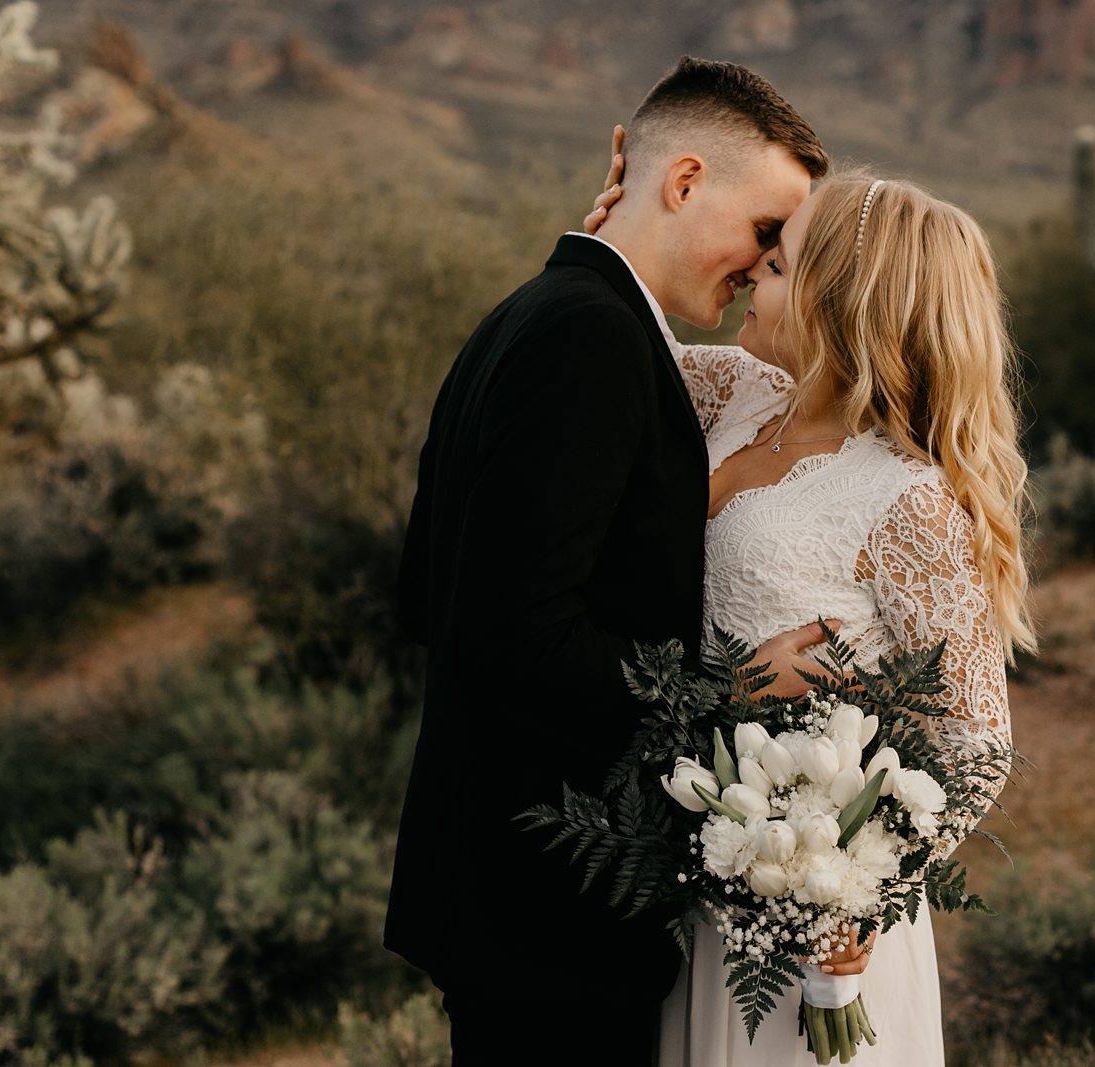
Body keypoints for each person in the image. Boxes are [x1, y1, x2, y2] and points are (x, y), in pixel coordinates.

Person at [385, 57, 833, 1065]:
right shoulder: (590, 338)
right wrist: (731, 692)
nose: (764, 267)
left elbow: (425, 595)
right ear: (682, 183)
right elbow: (517, 633)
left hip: (506, 885)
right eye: (765, 231)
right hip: (551, 901)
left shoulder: (537, 315)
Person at [586, 161, 1038, 1064]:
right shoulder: (734, 393)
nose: (755, 273)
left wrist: (855, 888)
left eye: (780, 264)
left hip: (809, 922)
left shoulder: (905, 499)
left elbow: (977, 740)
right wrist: (611, 242)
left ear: (842, 304)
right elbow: (607, 349)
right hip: (707, 879)